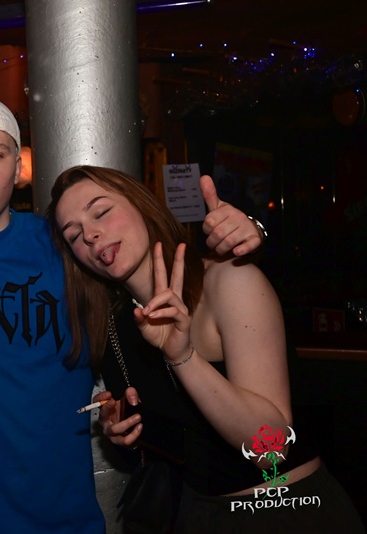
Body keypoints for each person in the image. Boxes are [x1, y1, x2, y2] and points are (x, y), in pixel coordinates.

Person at [0, 94, 265, 533]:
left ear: (17, 169)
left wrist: (249, 232)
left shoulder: (68, 245)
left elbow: (152, 272)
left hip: (59, 520)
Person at [47, 165, 365, 533]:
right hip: (198, 515)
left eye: (101, 211)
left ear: (140, 204)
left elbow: (272, 450)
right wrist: (125, 433)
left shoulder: (229, 281)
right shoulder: (117, 325)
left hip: (283, 511)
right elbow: (187, 439)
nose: (90, 235)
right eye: (74, 235)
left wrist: (182, 357)